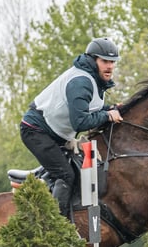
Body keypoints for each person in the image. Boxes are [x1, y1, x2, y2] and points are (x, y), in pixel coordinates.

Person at [20, 37, 123, 216]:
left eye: (112, 62)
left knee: (72, 170)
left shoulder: (92, 79)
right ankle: (57, 227)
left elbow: (90, 109)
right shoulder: (81, 82)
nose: (110, 66)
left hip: (52, 133)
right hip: (36, 131)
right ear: (93, 60)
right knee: (66, 175)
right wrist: (107, 115)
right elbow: (81, 122)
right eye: (105, 61)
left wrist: (110, 109)